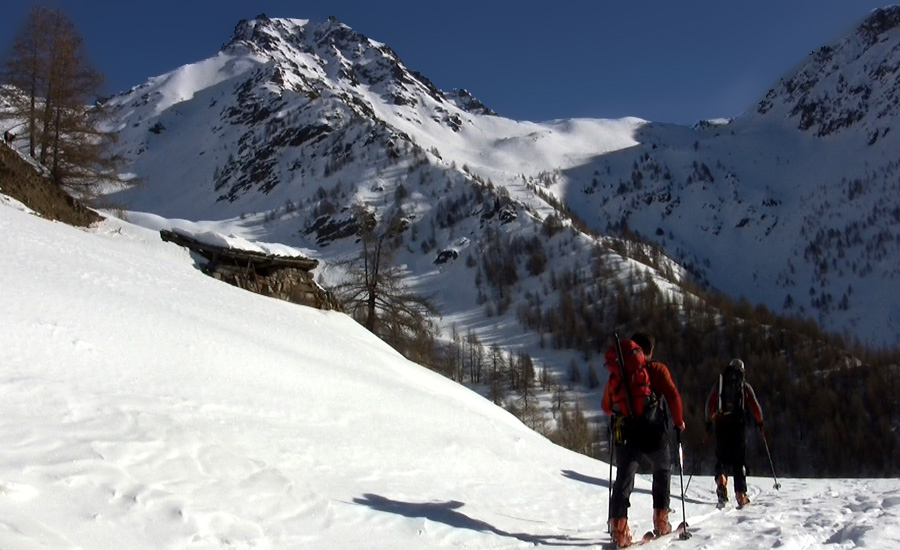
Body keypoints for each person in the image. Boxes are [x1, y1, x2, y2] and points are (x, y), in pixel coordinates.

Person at [602, 332, 685, 548]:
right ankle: (661, 520)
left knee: (624, 478)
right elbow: (673, 396)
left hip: (628, 433)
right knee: (662, 469)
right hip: (654, 431)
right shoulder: (657, 369)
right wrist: (679, 422)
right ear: (649, 350)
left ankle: (619, 529)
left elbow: (606, 406)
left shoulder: (619, 374)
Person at [704, 358, 764, 508]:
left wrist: (708, 422)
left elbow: (709, 404)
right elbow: (755, 407)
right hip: (739, 426)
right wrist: (760, 422)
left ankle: (722, 481)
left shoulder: (720, 384)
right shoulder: (744, 386)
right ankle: (740, 494)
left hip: (721, 424)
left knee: (722, 458)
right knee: (739, 460)